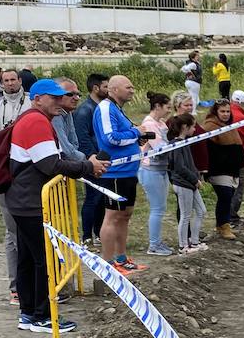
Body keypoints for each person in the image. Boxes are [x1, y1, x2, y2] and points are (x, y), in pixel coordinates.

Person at [6, 80, 108, 332]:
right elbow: (50, 164)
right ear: (38, 98)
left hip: (24, 200)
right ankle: (42, 316)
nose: (60, 101)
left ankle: (29, 313)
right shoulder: (36, 122)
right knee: (44, 260)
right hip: (31, 201)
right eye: (54, 97)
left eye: (61, 96)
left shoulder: (35, 119)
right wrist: (88, 167)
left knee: (29, 260)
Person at [93, 74, 147, 273]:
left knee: (125, 215)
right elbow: (110, 139)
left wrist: (135, 139)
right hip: (114, 172)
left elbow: (121, 136)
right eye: (128, 87)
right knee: (113, 216)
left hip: (128, 171)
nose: (132, 90)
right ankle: (107, 264)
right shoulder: (106, 108)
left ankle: (121, 258)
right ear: (114, 89)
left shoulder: (117, 109)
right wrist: (136, 133)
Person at [0, 68, 31, 301]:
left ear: (20, 81)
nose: (10, 84)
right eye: (5, 81)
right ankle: (15, 285)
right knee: (12, 232)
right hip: (4, 171)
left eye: (13, 80)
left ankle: (31, 281)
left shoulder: (31, 104)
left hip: (27, 171)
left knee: (27, 230)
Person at [73, 73, 109, 247]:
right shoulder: (84, 110)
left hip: (103, 160)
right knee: (92, 197)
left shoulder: (102, 107)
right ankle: (86, 236)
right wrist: (90, 158)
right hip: (92, 161)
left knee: (102, 197)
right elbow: (82, 137)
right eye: (105, 87)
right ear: (96, 88)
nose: (108, 90)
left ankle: (99, 232)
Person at [197, 99, 242, 239]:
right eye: (222, 111)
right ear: (215, 112)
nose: (226, 114)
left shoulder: (230, 125)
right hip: (219, 169)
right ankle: (223, 226)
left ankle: (221, 224)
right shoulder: (210, 127)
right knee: (225, 196)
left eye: (228, 111)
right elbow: (207, 150)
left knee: (228, 196)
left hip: (232, 169)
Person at [138, 91, 173, 256]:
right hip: (150, 169)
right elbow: (160, 147)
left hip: (161, 169)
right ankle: (153, 245)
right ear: (157, 106)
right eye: (167, 107)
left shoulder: (161, 124)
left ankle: (157, 241)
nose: (169, 111)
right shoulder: (150, 124)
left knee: (161, 207)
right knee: (157, 208)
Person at [166, 113, 206, 253]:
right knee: (185, 215)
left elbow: (190, 164)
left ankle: (194, 242)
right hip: (183, 184)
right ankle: (183, 245)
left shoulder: (185, 143)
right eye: (193, 126)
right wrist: (194, 180)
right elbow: (180, 167)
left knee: (201, 211)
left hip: (191, 183)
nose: (195, 129)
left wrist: (197, 176)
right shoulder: (175, 145)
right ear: (185, 127)